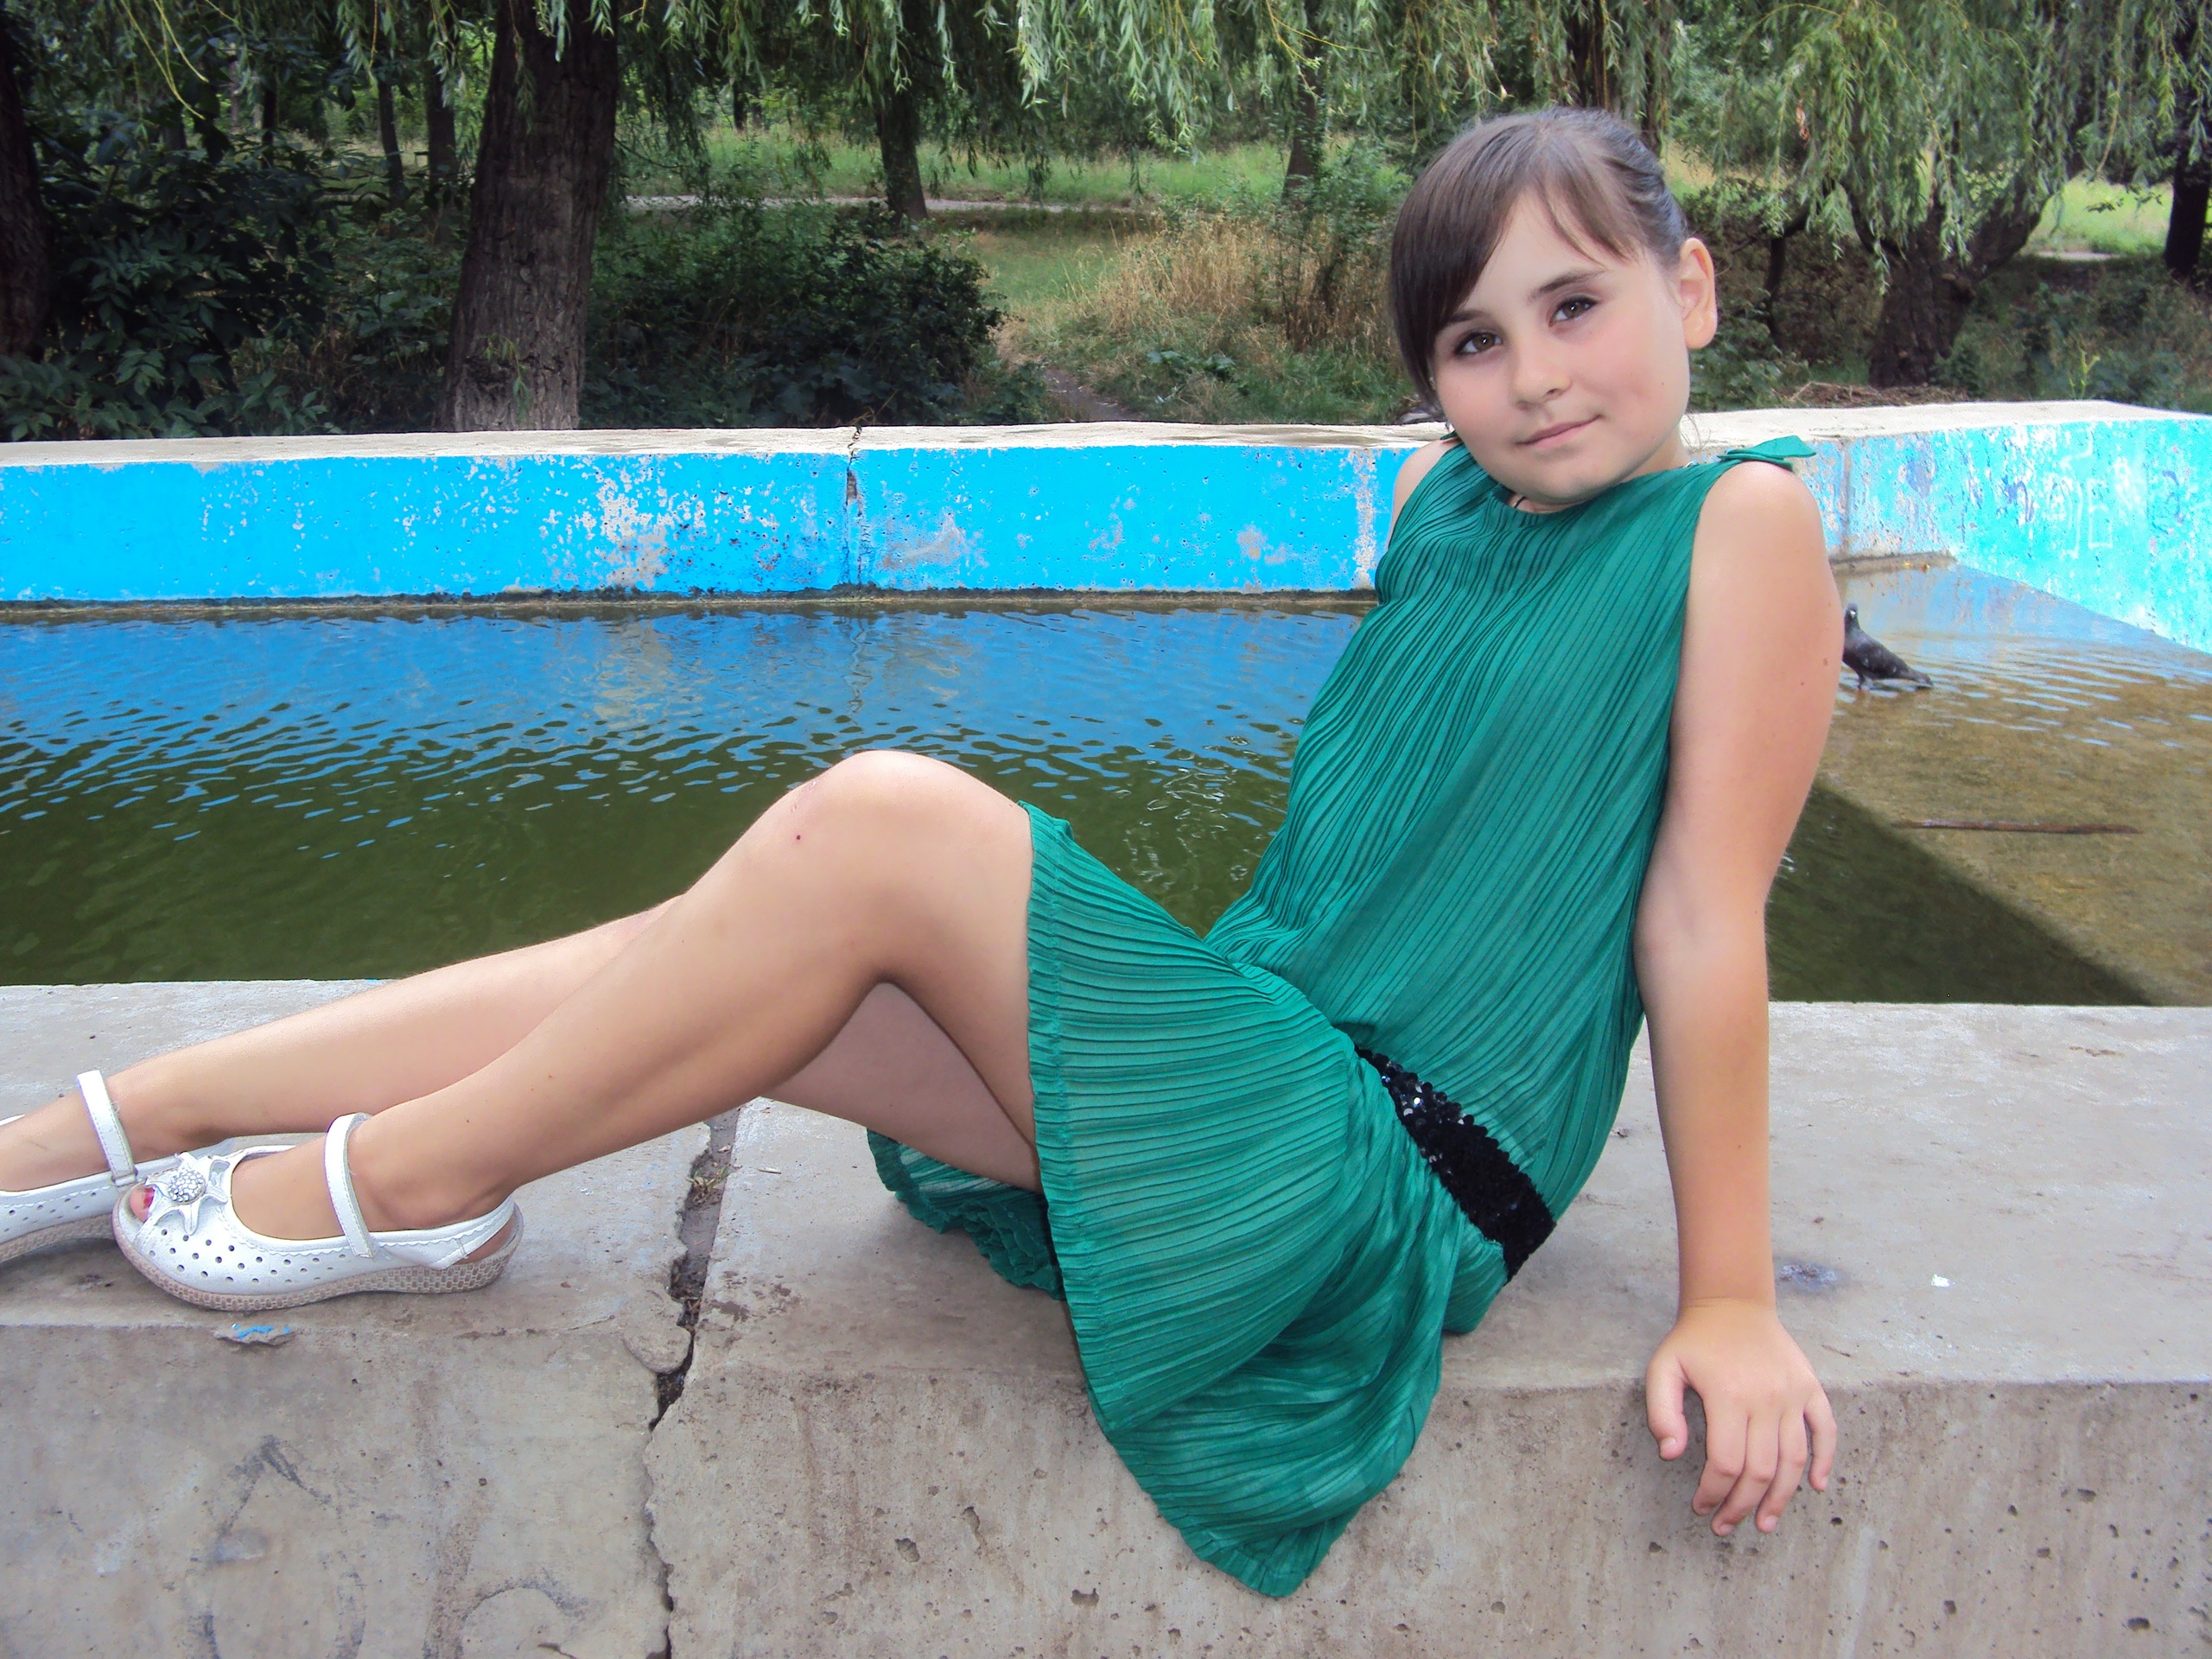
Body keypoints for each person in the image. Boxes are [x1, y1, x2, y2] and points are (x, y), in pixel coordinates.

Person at [0, 106, 1840, 1597]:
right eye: (1472, 342)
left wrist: (1731, 1300)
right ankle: (119, 1125)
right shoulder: (1452, 506)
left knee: (882, 819)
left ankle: (408, 1185)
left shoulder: (1736, 526)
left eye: (1574, 306)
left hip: (1383, 1179)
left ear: (1685, 288)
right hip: (1273, 1066)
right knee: (711, 951)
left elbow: (1699, 923)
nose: (1530, 377)